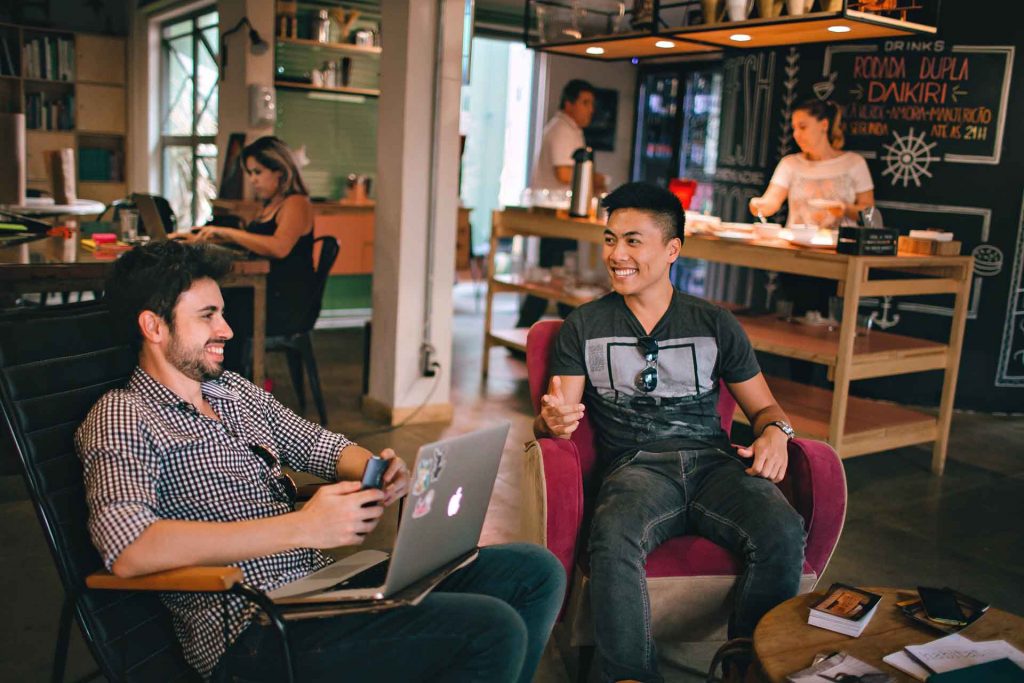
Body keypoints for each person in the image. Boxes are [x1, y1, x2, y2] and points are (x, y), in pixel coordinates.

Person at [76, 240, 566, 681]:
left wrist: (377, 470)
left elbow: (322, 446)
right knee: (490, 629)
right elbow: (129, 548)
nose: (226, 328)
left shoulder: (232, 393)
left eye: (222, 312)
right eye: (207, 315)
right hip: (253, 631)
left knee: (534, 571)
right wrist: (303, 528)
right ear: (153, 326)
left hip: (321, 593)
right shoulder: (124, 415)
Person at [535, 183, 806, 683]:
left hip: (715, 465)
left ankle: (747, 670)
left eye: (633, 241)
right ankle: (629, 676)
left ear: (672, 250)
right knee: (613, 534)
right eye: (610, 239)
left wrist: (777, 433)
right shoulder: (584, 325)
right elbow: (558, 412)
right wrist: (550, 422)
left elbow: (765, 407)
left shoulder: (715, 323)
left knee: (783, 530)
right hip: (636, 468)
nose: (616, 255)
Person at [181, 136, 317, 372]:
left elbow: (279, 247)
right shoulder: (272, 203)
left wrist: (227, 232)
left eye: (257, 172)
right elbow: (258, 243)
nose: (252, 180)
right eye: (250, 173)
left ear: (280, 172)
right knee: (210, 304)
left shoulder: (296, 203)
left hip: (284, 302)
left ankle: (225, 382)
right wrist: (215, 236)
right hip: (268, 291)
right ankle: (212, 379)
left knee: (216, 311)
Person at [517, 79, 602, 330]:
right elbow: (566, 174)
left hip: (563, 216)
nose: (590, 109)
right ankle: (533, 332)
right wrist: (595, 178)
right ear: (569, 103)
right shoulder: (561, 130)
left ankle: (559, 333)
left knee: (557, 277)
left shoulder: (571, 130)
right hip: (556, 217)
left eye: (592, 104)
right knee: (555, 278)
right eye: (585, 103)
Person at [748, 99, 874, 228]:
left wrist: (845, 209)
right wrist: (759, 205)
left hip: (840, 245)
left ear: (824, 125)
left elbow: (870, 214)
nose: (796, 134)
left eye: (803, 127)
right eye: (794, 129)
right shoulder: (789, 163)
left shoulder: (854, 163)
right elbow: (772, 201)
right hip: (796, 243)